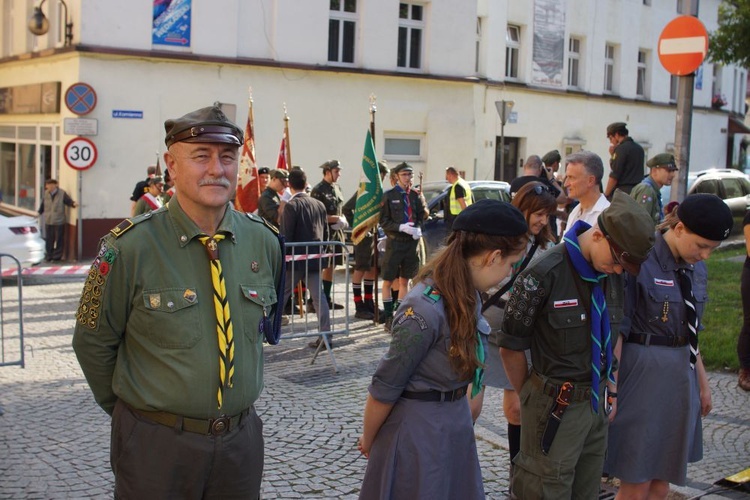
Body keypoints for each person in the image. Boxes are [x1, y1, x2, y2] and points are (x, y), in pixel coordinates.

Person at [71, 104, 284, 499]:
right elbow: (92, 341)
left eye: (226, 157)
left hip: (240, 445)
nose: (216, 169)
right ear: (172, 164)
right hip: (156, 447)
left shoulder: (264, 242)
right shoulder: (128, 248)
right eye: (201, 156)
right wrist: (137, 417)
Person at [358, 199, 529, 500]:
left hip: (454, 425)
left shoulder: (469, 295)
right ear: (493, 257)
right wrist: (370, 440)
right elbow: (385, 386)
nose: (508, 274)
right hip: (419, 434)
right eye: (511, 265)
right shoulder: (423, 307)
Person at [499, 191, 655, 499]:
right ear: (597, 235)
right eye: (616, 261)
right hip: (555, 404)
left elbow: (613, 335)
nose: (619, 271)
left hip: (596, 404)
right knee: (546, 489)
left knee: (587, 491)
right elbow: (511, 345)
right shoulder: (542, 273)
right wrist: (530, 396)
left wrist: (611, 387)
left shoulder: (610, 273)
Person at [604, 194, 733, 499]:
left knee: (662, 482)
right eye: (701, 246)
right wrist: (612, 388)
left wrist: (702, 383)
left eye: (712, 249)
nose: (705, 256)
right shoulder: (642, 258)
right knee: (637, 480)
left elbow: (691, 331)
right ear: (679, 229)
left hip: (679, 374)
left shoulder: (694, 266)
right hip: (642, 372)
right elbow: (619, 330)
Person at [480, 181, 558, 474]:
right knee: (469, 408)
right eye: (537, 213)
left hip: (519, 336)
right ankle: (456, 473)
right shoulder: (497, 238)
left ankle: (518, 476)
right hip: (485, 329)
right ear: (521, 207)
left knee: (517, 409)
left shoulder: (547, 248)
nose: (542, 220)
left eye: (547, 215)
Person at [281, 168, 333, 348]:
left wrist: (283, 258)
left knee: (281, 294)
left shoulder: (291, 206)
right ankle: (326, 336)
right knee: (319, 298)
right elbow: (326, 233)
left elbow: (285, 235)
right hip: (314, 259)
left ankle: (267, 331)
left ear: (289, 185)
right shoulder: (319, 204)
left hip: (294, 261)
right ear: (306, 182)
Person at [379, 162, 425, 329]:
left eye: (410, 175)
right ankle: (388, 317)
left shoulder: (415, 195)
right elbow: (383, 221)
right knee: (388, 281)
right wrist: (400, 227)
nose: (408, 178)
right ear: (396, 176)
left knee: (405, 280)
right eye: (404, 175)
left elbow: (421, 216)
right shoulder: (389, 196)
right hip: (395, 242)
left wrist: (418, 228)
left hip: (411, 244)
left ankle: (399, 316)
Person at [343, 161, 390, 320]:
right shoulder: (365, 191)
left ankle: (369, 302)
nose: (383, 177)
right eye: (382, 174)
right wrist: (358, 226)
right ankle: (359, 304)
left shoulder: (379, 192)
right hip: (364, 237)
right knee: (361, 268)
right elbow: (346, 209)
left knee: (372, 269)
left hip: (376, 236)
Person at [311, 160, 348, 310]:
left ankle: (326, 297)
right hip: (324, 233)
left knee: (332, 266)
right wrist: (334, 219)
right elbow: (315, 215)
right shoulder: (318, 190)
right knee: (321, 266)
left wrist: (342, 218)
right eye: (336, 171)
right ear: (327, 171)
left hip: (336, 233)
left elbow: (340, 208)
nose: (339, 174)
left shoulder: (337, 188)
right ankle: (315, 300)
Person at [565, 150, 611, 228]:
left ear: (590, 181)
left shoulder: (607, 217)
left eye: (571, 177)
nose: (566, 184)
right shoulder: (575, 212)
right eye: (567, 177)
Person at [630, 153, 678, 225]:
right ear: (654, 171)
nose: (673, 175)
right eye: (668, 170)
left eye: (673, 171)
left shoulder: (653, 190)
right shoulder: (646, 190)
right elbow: (642, 224)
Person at [38, 179, 77, 262]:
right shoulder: (46, 194)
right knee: (49, 239)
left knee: (59, 239)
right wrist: (39, 212)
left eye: (52, 185)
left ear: (56, 185)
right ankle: (49, 255)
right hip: (49, 220)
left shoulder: (62, 193)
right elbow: (43, 205)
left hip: (59, 220)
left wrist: (73, 204)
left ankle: (57, 256)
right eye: (48, 185)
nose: (50, 187)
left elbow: (68, 201)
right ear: (46, 186)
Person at [604, 121, 645, 198]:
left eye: (610, 138)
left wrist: (606, 194)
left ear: (616, 135)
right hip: (638, 191)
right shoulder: (639, 148)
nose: (611, 142)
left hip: (622, 192)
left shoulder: (620, 149)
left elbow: (615, 174)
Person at [443, 166, 473, 230]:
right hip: (459, 219)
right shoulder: (463, 183)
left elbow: (463, 205)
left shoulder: (458, 186)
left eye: (447, 176)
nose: (446, 178)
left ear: (451, 175)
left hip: (457, 219)